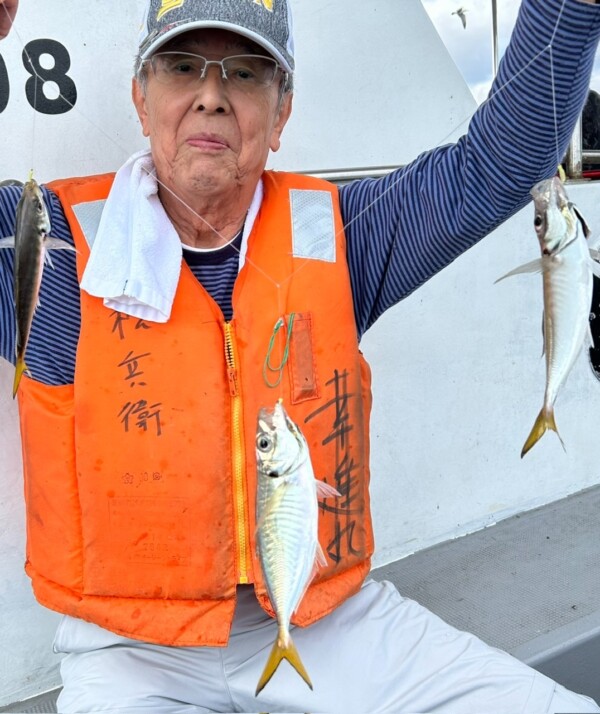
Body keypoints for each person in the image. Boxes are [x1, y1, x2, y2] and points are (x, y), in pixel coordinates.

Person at [1, 0, 600, 712]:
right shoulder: (41, 245)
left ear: (281, 114)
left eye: (247, 72)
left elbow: (499, 166)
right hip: (128, 652)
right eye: (182, 65)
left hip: (324, 620)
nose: (211, 95)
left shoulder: (346, 235)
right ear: (141, 96)